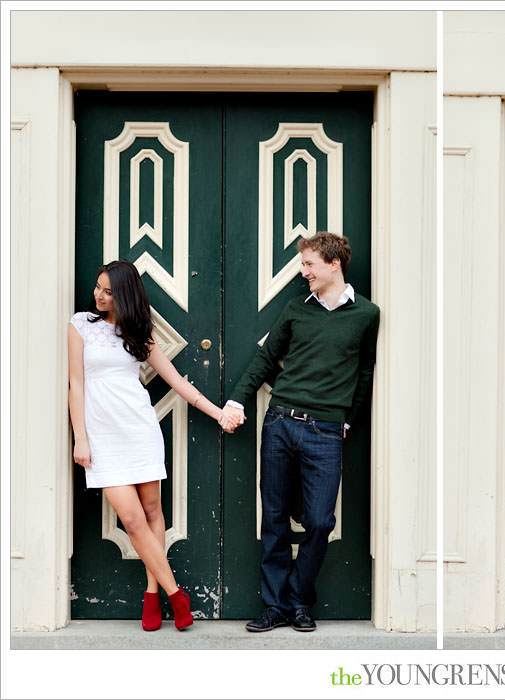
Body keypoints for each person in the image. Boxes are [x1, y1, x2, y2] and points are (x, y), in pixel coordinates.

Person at [222, 232, 380, 633]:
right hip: (279, 422)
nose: (303, 271)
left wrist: (347, 420)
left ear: (333, 264)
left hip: (326, 431)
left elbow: (364, 372)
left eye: (309, 264)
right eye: (303, 264)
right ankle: (275, 606)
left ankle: (299, 601)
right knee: (273, 517)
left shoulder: (366, 315)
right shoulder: (296, 309)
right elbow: (265, 357)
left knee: (320, 520)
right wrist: (237, 401)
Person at [68, 260, 236, 631]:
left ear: (125, 295)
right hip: (102, 437)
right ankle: (177, 594)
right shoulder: (80, 325)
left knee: (151, 512)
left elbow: (178, 382)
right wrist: (80, 437)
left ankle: (151, 593)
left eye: (109, 291)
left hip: (139, 430)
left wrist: (218, 413)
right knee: (131, 520)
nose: (99, 295)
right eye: (98, 287)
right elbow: (76, 385)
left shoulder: (140, 334)